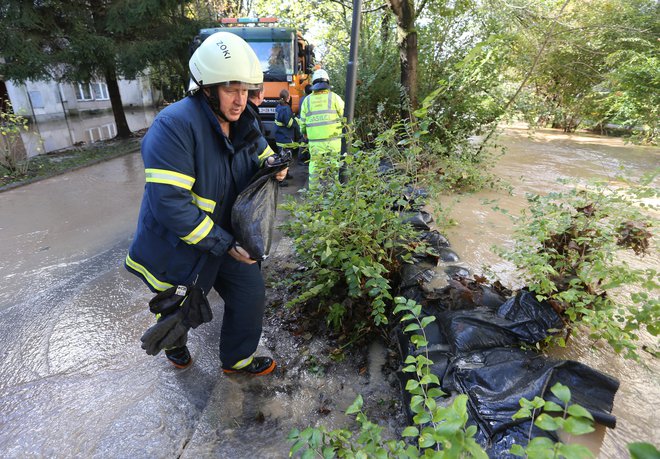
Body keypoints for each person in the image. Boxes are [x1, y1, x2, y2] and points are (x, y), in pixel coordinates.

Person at [125, 31, 287, 376]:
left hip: (221, 239)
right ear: (206, 88)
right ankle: (174, 343)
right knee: (176, 308)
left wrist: (276, 165)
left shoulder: (243, 123)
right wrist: (224, 243)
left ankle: (237, 359)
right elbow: (171, 203)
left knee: (249, 292)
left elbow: (263, 155)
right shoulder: (174, 126)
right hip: (177, 246)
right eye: (231, 89)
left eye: (246, 90)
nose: (240, 100)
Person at [298, 69, 344, 186]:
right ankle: (335, 191)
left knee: (314, 167)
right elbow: (345, 117)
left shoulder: (307, 101)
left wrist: (304, 133)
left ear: (313, 83)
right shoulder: (334, 97)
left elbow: (302, 123)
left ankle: (313, 194)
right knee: (334, 167)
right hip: (333, 142)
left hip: (315, 143)